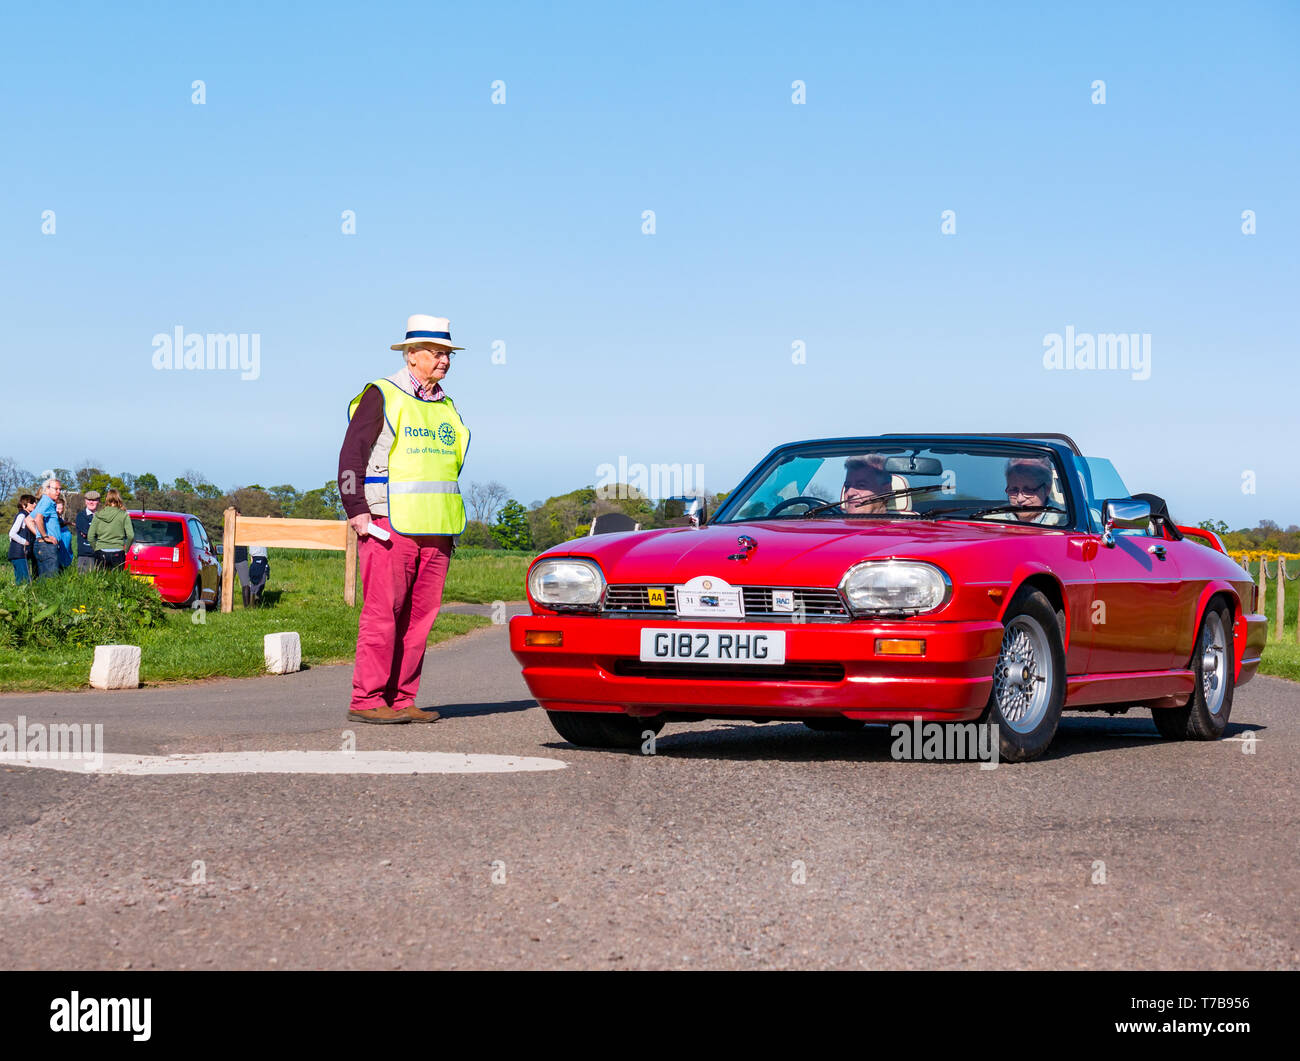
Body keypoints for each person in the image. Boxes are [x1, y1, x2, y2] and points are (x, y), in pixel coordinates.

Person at [337, 314, 469, 724]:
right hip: (388, 524)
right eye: (435, 352)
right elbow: (350, 457)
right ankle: (367, 700)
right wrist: (357, 513)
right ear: (411, 356)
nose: (443, 360)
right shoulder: (382, 394)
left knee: (419, 620)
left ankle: (402, 699)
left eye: (447, 353)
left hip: (439, 529)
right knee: (383, 614)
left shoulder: (446, 405)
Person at [1002, 457, 1064, 525]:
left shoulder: (1065, 524)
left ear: (1047, 489)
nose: (1020, 499)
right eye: (1014, 489)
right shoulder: (992, 520)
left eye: (1029, 490)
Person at [25, 478, 63, 579]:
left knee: (44, 580)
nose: (59, 492)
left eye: (60, 489)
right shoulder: (47, 502)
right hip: (47, 546)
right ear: (47, 489)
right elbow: (38, 519)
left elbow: (28, 520)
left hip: (42, 545)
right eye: (56, 489)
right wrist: (45, 537)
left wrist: (39, 535)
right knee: (51, 580)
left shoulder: (44, 501)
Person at [87, 488, 134, 568]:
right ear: (118, 498)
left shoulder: (98, 515)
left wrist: (97, 548)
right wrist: (126, 551)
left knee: (100, 579)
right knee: (116, 579)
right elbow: (131, 536)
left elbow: (90, 537)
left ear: (107, 499)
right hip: (118, 552)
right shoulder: (124, 515)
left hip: (101, 552)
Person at [7, 494, 37, 585]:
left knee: (21, 581)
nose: (35, 504)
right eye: (32, 503)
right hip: (19, 554)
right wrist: (24, 542)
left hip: (19, 554)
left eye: (35, 502)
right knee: (25, 581)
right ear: (24, 505)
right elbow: (12, 533)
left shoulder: (28, 515)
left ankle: (18, 598)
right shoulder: (22, 516)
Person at [75, 490, 101, 572]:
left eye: (94, 500)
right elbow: (86, 532)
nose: (91, 502)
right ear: (85, 501)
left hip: (99, 555)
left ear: (98, 501)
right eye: (89, 500)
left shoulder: (102, 516)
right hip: (85, 555)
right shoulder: (81, 516)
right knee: (85, 582)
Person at [54, 498, 74, 571]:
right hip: (60, 551)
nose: (60, 510)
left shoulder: (60, 518)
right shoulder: (53, 518)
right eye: (58, 508)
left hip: (66, 550)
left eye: (61, 508)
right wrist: (68, 523)